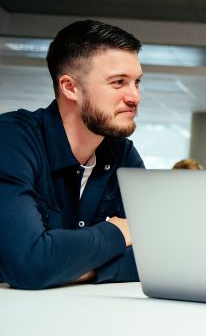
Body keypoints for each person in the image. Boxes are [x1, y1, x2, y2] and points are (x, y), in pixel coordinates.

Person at [0, 20, 145, 289]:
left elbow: (159, 256)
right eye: (118, 82)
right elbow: (29, 264)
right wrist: (118, 232)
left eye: (136, 82)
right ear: (70, 87)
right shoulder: (11, 140)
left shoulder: (122, 154)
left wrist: (77, 269)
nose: (134, 96)